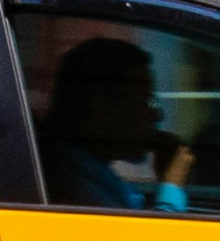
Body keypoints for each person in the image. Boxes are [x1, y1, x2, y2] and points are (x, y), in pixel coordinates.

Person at [39, 35, 190, 211]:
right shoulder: (71, 183)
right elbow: (143, 239)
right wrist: (171, 188)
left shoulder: (88, 170)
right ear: (102, 109)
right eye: (146, 101)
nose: (158, 115)